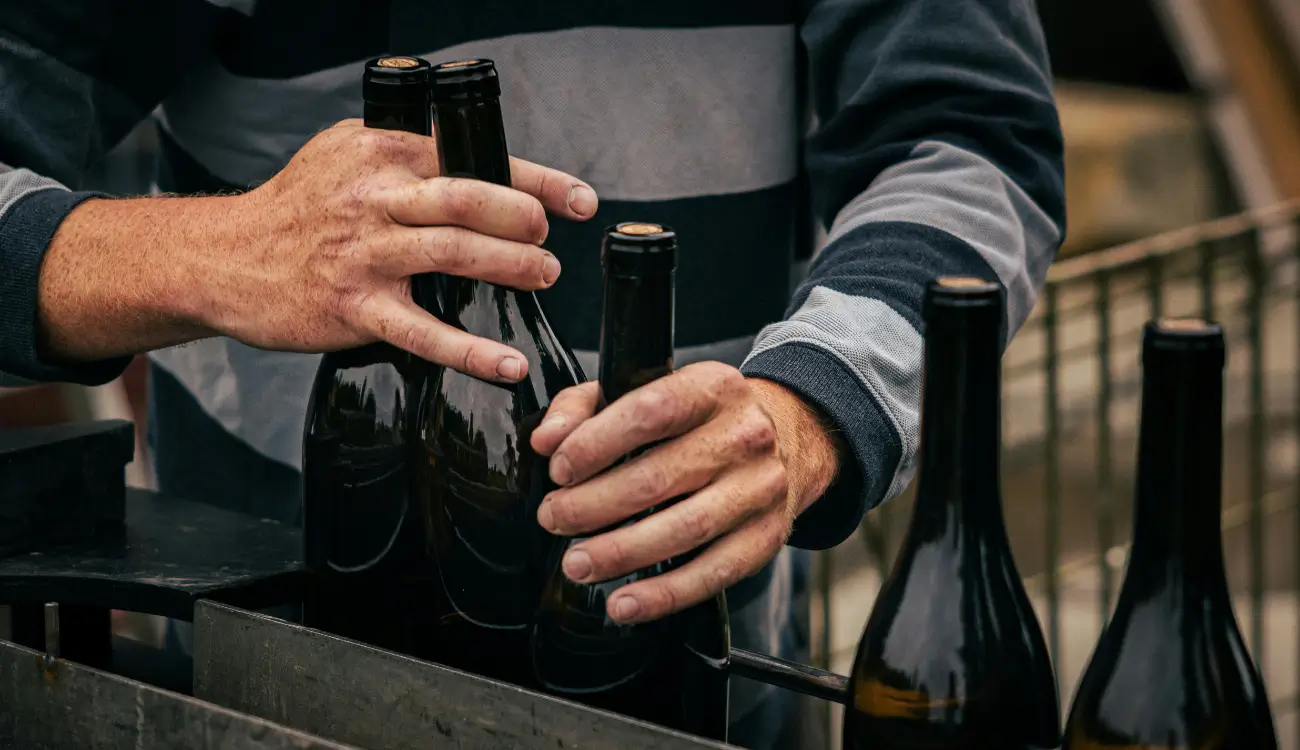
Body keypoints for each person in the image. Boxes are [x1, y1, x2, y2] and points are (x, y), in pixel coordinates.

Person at [0, 2, 1064, 746]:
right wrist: (206, 253)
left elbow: (969, 142)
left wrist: (811, 410)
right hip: (273, 681)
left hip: (698, 673)